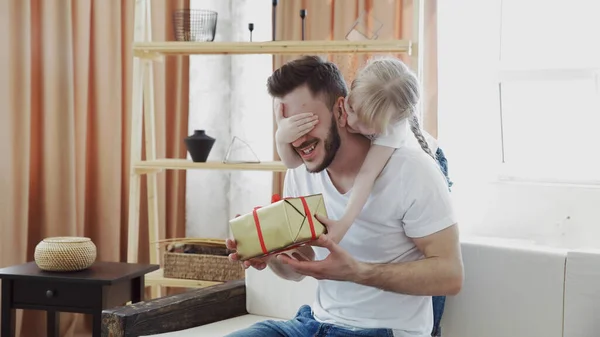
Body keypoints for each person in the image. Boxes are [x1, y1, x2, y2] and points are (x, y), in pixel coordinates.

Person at [226, 55, 463, 337]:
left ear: (341, 109)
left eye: (306, 123)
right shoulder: (301, 172)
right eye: (288, 126)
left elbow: (451, 276)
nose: (297, 139)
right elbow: (299, 268)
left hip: (382, 331)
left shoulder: (411, 169)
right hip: (312, 324)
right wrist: (272, 254)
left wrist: (357, 271)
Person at [274, 57, 449, 245]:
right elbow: (292, 164)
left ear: (382, 126)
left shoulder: (390, 135)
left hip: (434, 157)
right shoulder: (365, 97)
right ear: (353, 89)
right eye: (351, 108)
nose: (351, 122)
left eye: (365, 124)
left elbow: (366, 177)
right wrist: (281, 136)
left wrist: (343, 225)